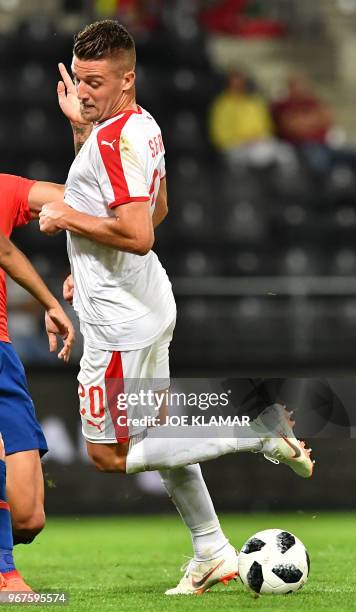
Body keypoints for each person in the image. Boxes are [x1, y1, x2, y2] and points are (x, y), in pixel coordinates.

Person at [39, 20, 313, 595]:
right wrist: (83, 261)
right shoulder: (141, 127)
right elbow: (155, 207)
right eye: (79, 79)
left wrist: (66, 220)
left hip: (120, 325)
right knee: (161, 434)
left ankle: (254, 431)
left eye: (95, 82)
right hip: (144, 301)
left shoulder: (116, 140)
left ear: (127, 78)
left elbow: (139, 233)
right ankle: (212, 549)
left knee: (109, 455)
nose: (83, 91)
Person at [0, 174, 75, 589]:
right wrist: (50, 303)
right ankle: (4, 575)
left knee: (27, 517)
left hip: (2, 353)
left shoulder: (5, 190)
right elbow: (3, 249)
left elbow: (82, 201)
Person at [209, 69, 295, 169]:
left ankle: (287, 183)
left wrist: (260, 137)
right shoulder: (222, 105)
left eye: (240, 82)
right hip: (235, 145)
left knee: (285, 152)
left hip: (259, 142)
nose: (238, 86)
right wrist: (241, 140)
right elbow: (219, 132)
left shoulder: (255, 102)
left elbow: (267, 125)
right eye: (234, 83)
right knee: (252, 157)